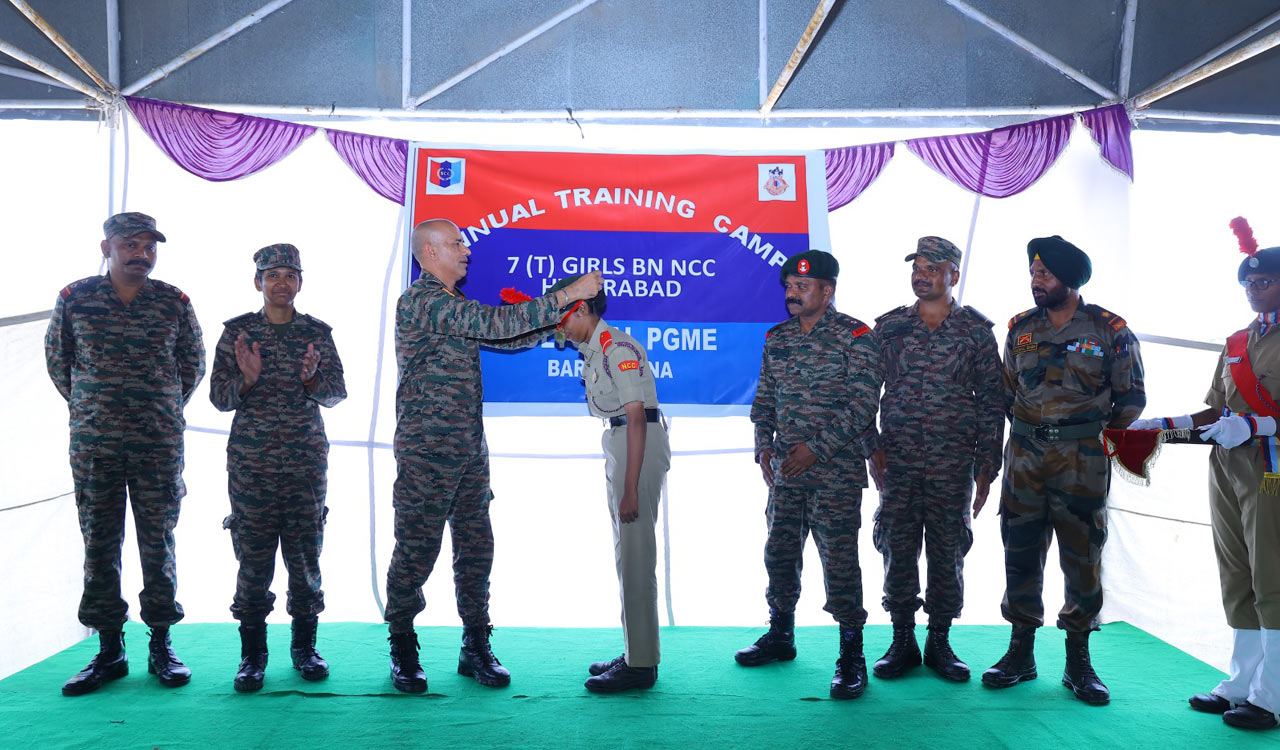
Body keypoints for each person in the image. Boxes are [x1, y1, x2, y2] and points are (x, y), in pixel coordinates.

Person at [384, 218, 603, 693]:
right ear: (429, 254)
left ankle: (475, 644)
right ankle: (402, 641)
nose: (466, 250)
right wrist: (565, 296)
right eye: (456, 243)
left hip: (466, 445)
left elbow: (505, 336)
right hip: (427, 448)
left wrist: (555, 318)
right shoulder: (421, 300)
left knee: (476, 547)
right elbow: (494, 323)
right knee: (417, 550)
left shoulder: (453, 304)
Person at [44, 212, 205, 696]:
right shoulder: (76, 298)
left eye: (149, 245)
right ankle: (109, 650)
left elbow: (191, 366)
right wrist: (93, 406)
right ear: (107, 247)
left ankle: (161, 643)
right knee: (99, 542)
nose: (142, 253)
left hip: (157, 441)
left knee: (158, 540)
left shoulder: (173, 302)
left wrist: (160, 406)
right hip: (96, 443)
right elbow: (59, 362)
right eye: (130, 245)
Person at [1129, 218, 1280, 730]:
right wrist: (1160, 426)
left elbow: (1249, 418)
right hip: (1227, 467)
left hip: (1273, 471)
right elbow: (1215, 412)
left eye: (1263, 282)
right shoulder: (1238, 341)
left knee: (1273, 578)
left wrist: (1259, 424)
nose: (1253, 291)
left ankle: (1272, 695)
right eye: (1247, 284)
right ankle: (1241, 682)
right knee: (1236, 573)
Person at [982, 235, 1144, 705]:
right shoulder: (1020, 328)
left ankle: (1078, 660)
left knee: (1082, 556)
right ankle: (1020, 653)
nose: (1036, 282)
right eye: (1033, 274)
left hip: (1082, 461)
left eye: (1045, 275)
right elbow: (1006, 393)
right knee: (1020, 550)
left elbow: (1131, 398)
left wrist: (1087, 434)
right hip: (1025, 459)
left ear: (1069, 280)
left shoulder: (1109, 329)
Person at [736, 249, 884, 700]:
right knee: (779, 554)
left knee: (839, 563)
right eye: (789, 287)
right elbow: (763, 403)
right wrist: (764, 446)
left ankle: (851, 655)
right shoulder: (777, 338)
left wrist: (813, 451)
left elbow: (862, 407)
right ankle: (780, 635)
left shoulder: (856, 336)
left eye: (802, 287)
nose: (792, 294)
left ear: (827, 290)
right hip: (785, 473)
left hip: (834, 473)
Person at [865, 237, 1004, 683]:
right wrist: (874, 446)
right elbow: (864, 393)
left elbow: (991, 402)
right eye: (917, 267)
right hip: (899, 462)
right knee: (897, 546)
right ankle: (901, 639)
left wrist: (987, 466)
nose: (921, 275)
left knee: (948, 550)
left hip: (952, 463)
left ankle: (939, 640)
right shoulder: (888, 329)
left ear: (953, 276)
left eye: (932, 268)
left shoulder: (976, 333)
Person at [209, 244, 347, 692]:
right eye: (272, 276)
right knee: (252, 560)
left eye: (290, 275)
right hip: (252, 464)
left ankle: (304, 648)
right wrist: (246, 379)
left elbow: (336, 394)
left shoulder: (317, 334)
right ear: (258, 283)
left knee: (305, 557)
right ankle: (252, 655)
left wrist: (311, 379)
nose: (281, 283)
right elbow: (218, 398)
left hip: (306, 462)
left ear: (300, 283)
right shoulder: (238, 333)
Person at [551, 276, 671, 693]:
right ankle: (636, 649)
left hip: (636, 442)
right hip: (621, 441)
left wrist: (631, 488)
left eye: (563, 316)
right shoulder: (596, 348)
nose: (559, 327)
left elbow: (637, 418)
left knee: (636, 557)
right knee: (628, 555)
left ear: (582, 309)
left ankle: (642, 665)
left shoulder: (616, 347)